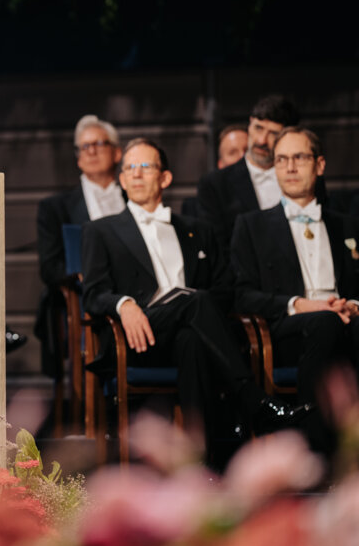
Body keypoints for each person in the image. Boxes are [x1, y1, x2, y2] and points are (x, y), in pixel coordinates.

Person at [82, 138, 307, 451]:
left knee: (191, 338)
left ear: (165, 178)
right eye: (129, 168)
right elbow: (93, 294)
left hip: (193, 333)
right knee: (196, 301)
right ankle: (251, 398)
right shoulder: (101, 231)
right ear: (121, 179)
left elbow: (225, 289)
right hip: (139, 335)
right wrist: (124, 304)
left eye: (145, 166)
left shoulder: (197, 230)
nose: (136, 174)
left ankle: (199, 458)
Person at [231, 127, 359, 451]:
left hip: (345, 321)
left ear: (320, 165)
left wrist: (354, 305)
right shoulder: (251, 225)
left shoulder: (347, 224)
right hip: (288, 331)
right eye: (281, 159)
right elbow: (241, 295)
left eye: (299, 157)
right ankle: (314, 449)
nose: (290, 167)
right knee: (324, 323)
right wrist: (301, 304)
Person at [34, 115, 123, 369]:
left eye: (99, 144)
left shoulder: (135, 199)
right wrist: (85, 273)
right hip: (86, 299)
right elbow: (50, 268)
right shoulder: (55, 208)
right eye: (85, 146)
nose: (91, 151)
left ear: (117, 153)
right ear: (78, 158)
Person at [197, 96, 302, 246]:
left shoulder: (305, 179)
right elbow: (216, 248)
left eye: (273, 133)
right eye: (258, 128)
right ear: (250, 123)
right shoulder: (215, 184)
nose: (261, 140)